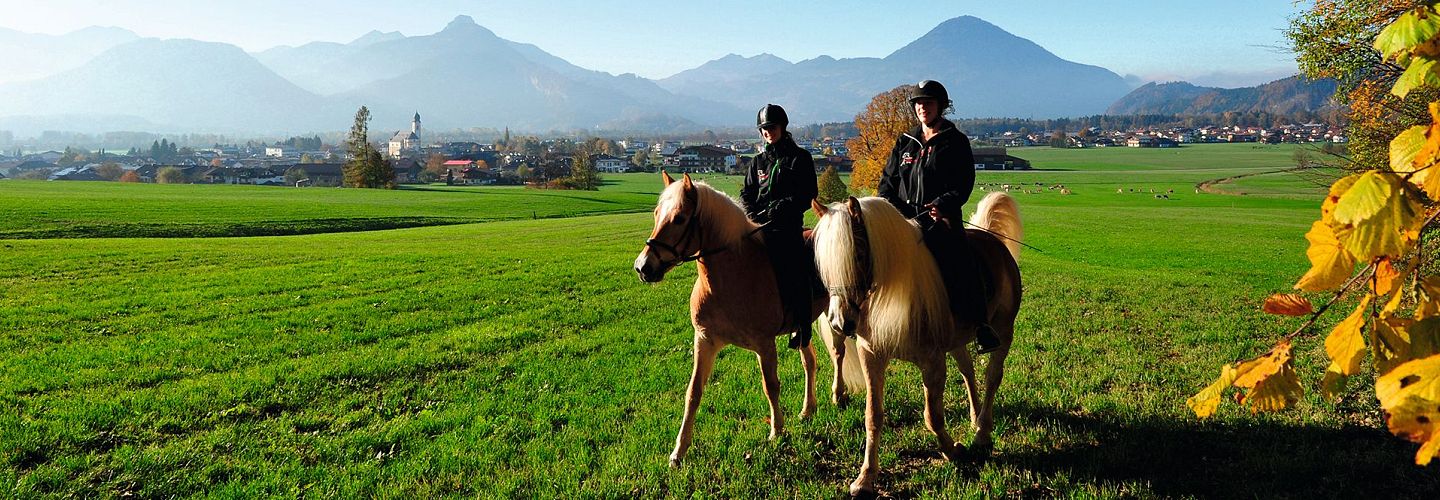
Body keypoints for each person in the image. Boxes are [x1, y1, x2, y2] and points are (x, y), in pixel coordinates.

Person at [877, 80, 1001, 353]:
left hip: (939, 219)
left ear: (941, 107)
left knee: (959, 260)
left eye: (929, 103)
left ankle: (980, 324)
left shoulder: (955, 141)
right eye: (919, 103)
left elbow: (964, 182)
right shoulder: (905, 142)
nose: (923, 108)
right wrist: (891, 208)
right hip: (904, 219)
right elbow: (887, 181)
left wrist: (944, 203)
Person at [741, 104, 819, 349]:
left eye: (771, 127)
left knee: (795, 269)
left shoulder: (800, 158)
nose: (767, 132)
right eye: (763, 129)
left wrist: (785, 205)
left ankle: (803, 325)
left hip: (786, 228)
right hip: (758, 226)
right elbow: (747, 191)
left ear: (782, 128)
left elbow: (809, 194)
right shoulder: (757, 163)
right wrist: (750, 210)